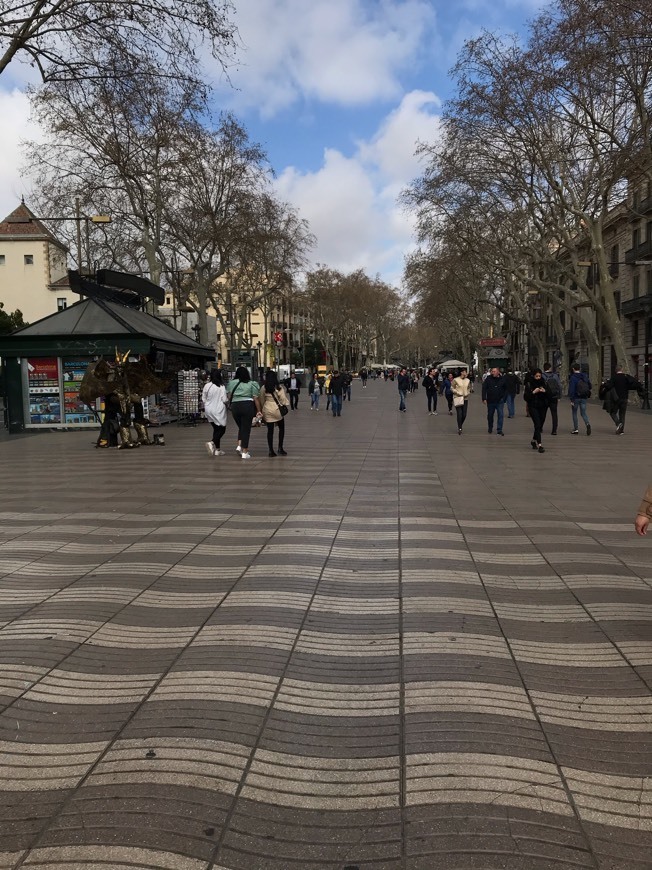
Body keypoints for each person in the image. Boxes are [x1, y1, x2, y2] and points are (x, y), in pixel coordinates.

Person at [226, 366, 262, 460]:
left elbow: (229, 396)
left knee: (241, 427)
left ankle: (239, 446)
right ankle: (245, 452)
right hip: (247, 406)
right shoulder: (251, 384)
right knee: (246, 429)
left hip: (235, 407)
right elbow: (256, 398)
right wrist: (258, 410)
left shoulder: (231, 383)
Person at [603, 365, 643, 434]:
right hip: (624, 398)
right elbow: (633, 384)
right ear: (622, 369)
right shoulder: (626, 377)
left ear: (616, 370)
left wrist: (604, 384)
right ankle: (621, 431)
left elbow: (609, 386)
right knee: (622, 414)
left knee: (612, 412)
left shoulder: (614, 377)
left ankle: (618, 424)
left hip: (616, 399)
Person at [260, 369, 290, 456]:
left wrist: (262, 409)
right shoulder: (279, 387)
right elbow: (283, 400)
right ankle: (280, 448)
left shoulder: (264, 387)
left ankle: (271, 450)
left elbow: (261, 399)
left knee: (270, 431)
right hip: (277, 409)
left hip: (267, 409)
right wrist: (284, 404)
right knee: (281, 428)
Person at [524, 368, 551, 453]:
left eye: (539, 376)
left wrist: (544, 391)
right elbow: (526, 397)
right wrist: (533, 392)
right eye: (536, 376)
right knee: (537, 424)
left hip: (543, 406)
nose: (538, 378)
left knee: (540, 424)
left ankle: (533, 440)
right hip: (533, 406)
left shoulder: (544, 382)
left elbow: (550, 394)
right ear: (533, 376)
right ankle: (540, 444)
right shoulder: (529, 384)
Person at [202, 369, 227, 456]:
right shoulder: (221, 386)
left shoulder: (207, 385)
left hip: (208, 409)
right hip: (218, 410)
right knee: (222, 429)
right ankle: (212, 443)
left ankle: (218, 450)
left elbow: (203, 398)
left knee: (216, 429)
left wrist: (208, 404)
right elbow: (224, 399)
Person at [481, 367, 507, 435]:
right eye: (492, 371)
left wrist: (504, 398)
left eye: (494, 371)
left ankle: (499, 429)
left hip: (500, 401)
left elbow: (506, 389)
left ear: (498, 372)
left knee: (500, 415)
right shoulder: (488, 379)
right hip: (490, 400)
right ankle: (490, 427)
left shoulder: (503, 379)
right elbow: (484, 388)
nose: (493, 373)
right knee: (490, 415)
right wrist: (484, 398)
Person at [568, 364, 592, 435]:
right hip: (584, 397)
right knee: (583, 413)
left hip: (575, 398)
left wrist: (571, 399)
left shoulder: (573, 377)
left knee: (574, 413)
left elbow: (571, 389)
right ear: (579, 369)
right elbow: (590, 386)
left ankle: (576, 429)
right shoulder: (585, 376)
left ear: (573, 369)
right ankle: (587, 424)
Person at [542, 362, 562, 435]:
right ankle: (554, 430)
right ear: (550, 368)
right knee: (554, 414)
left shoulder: (542, 376)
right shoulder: (555, 376)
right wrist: (559, 396)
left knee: (543, 413)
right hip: (554, 397)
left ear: (544, 368)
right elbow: (559, 386)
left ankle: (540, 427)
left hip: (544, 397)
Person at [452, 368, 472, 434]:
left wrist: (467, 392)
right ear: (462, 372)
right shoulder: (456, 380)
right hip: (458, 398)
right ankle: (460, 428)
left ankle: (460, 424)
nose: (466, 373)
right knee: (459, 414)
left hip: (465, 398)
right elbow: (452, 387)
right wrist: (457, 392)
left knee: (464, 414)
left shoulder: (468, 380)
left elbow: (469, 388)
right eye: (465, 372)